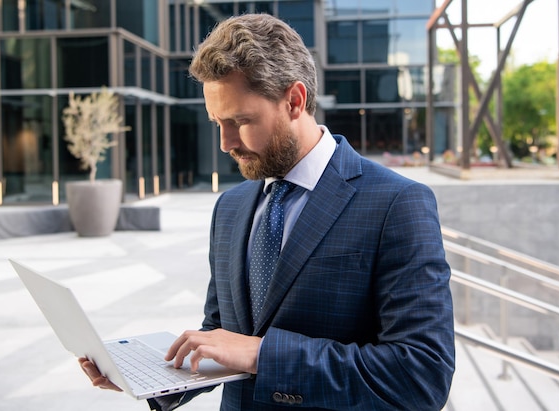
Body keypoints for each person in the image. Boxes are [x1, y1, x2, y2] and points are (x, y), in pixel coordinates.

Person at [80, 13, 455, 410]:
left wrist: (262, 355)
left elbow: (421, 375)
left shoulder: (396, 203)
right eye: (217, 123)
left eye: (241, 121)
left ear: (295, 101)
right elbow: (223, 336)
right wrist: (153, 379)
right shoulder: (230, 207)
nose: (226, 143)